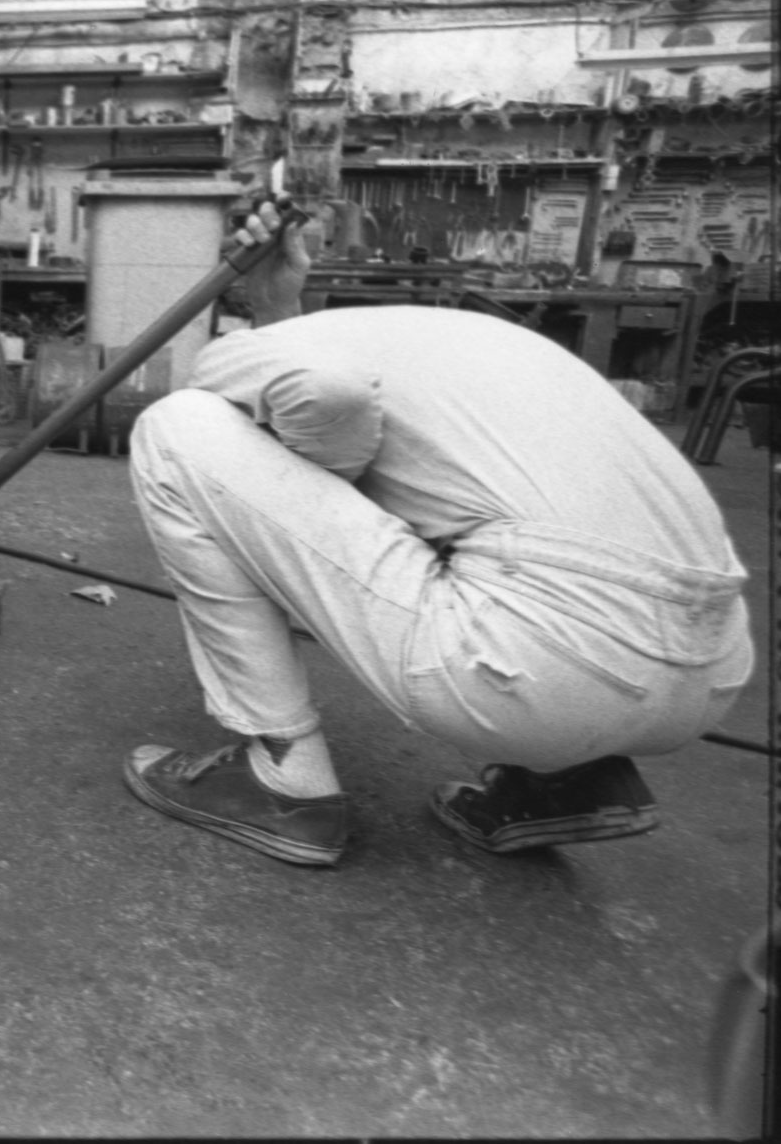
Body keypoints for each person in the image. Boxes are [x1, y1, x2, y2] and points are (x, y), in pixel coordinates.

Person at [121, 202, 753, 866]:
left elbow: (326, 392)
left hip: (540, 661)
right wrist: (281, 305)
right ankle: (568, 778)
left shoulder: (251, 352)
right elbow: (328, 399)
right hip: (710, 665)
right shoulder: (453, 339)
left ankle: (284, 779)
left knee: (176, 428)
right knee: (487, 514)